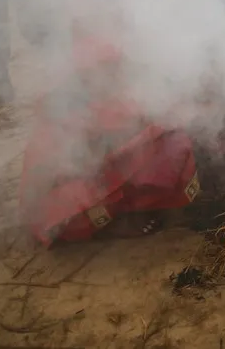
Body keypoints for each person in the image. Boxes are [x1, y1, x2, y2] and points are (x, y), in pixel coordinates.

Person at [19, 32, 201, 245]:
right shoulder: (88, 78)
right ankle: (117, 219)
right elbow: (115, 123)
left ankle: (132, 206)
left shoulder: (115, 57)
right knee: (171, 147)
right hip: (71, 188)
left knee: (173, 135)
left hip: (99, 154)